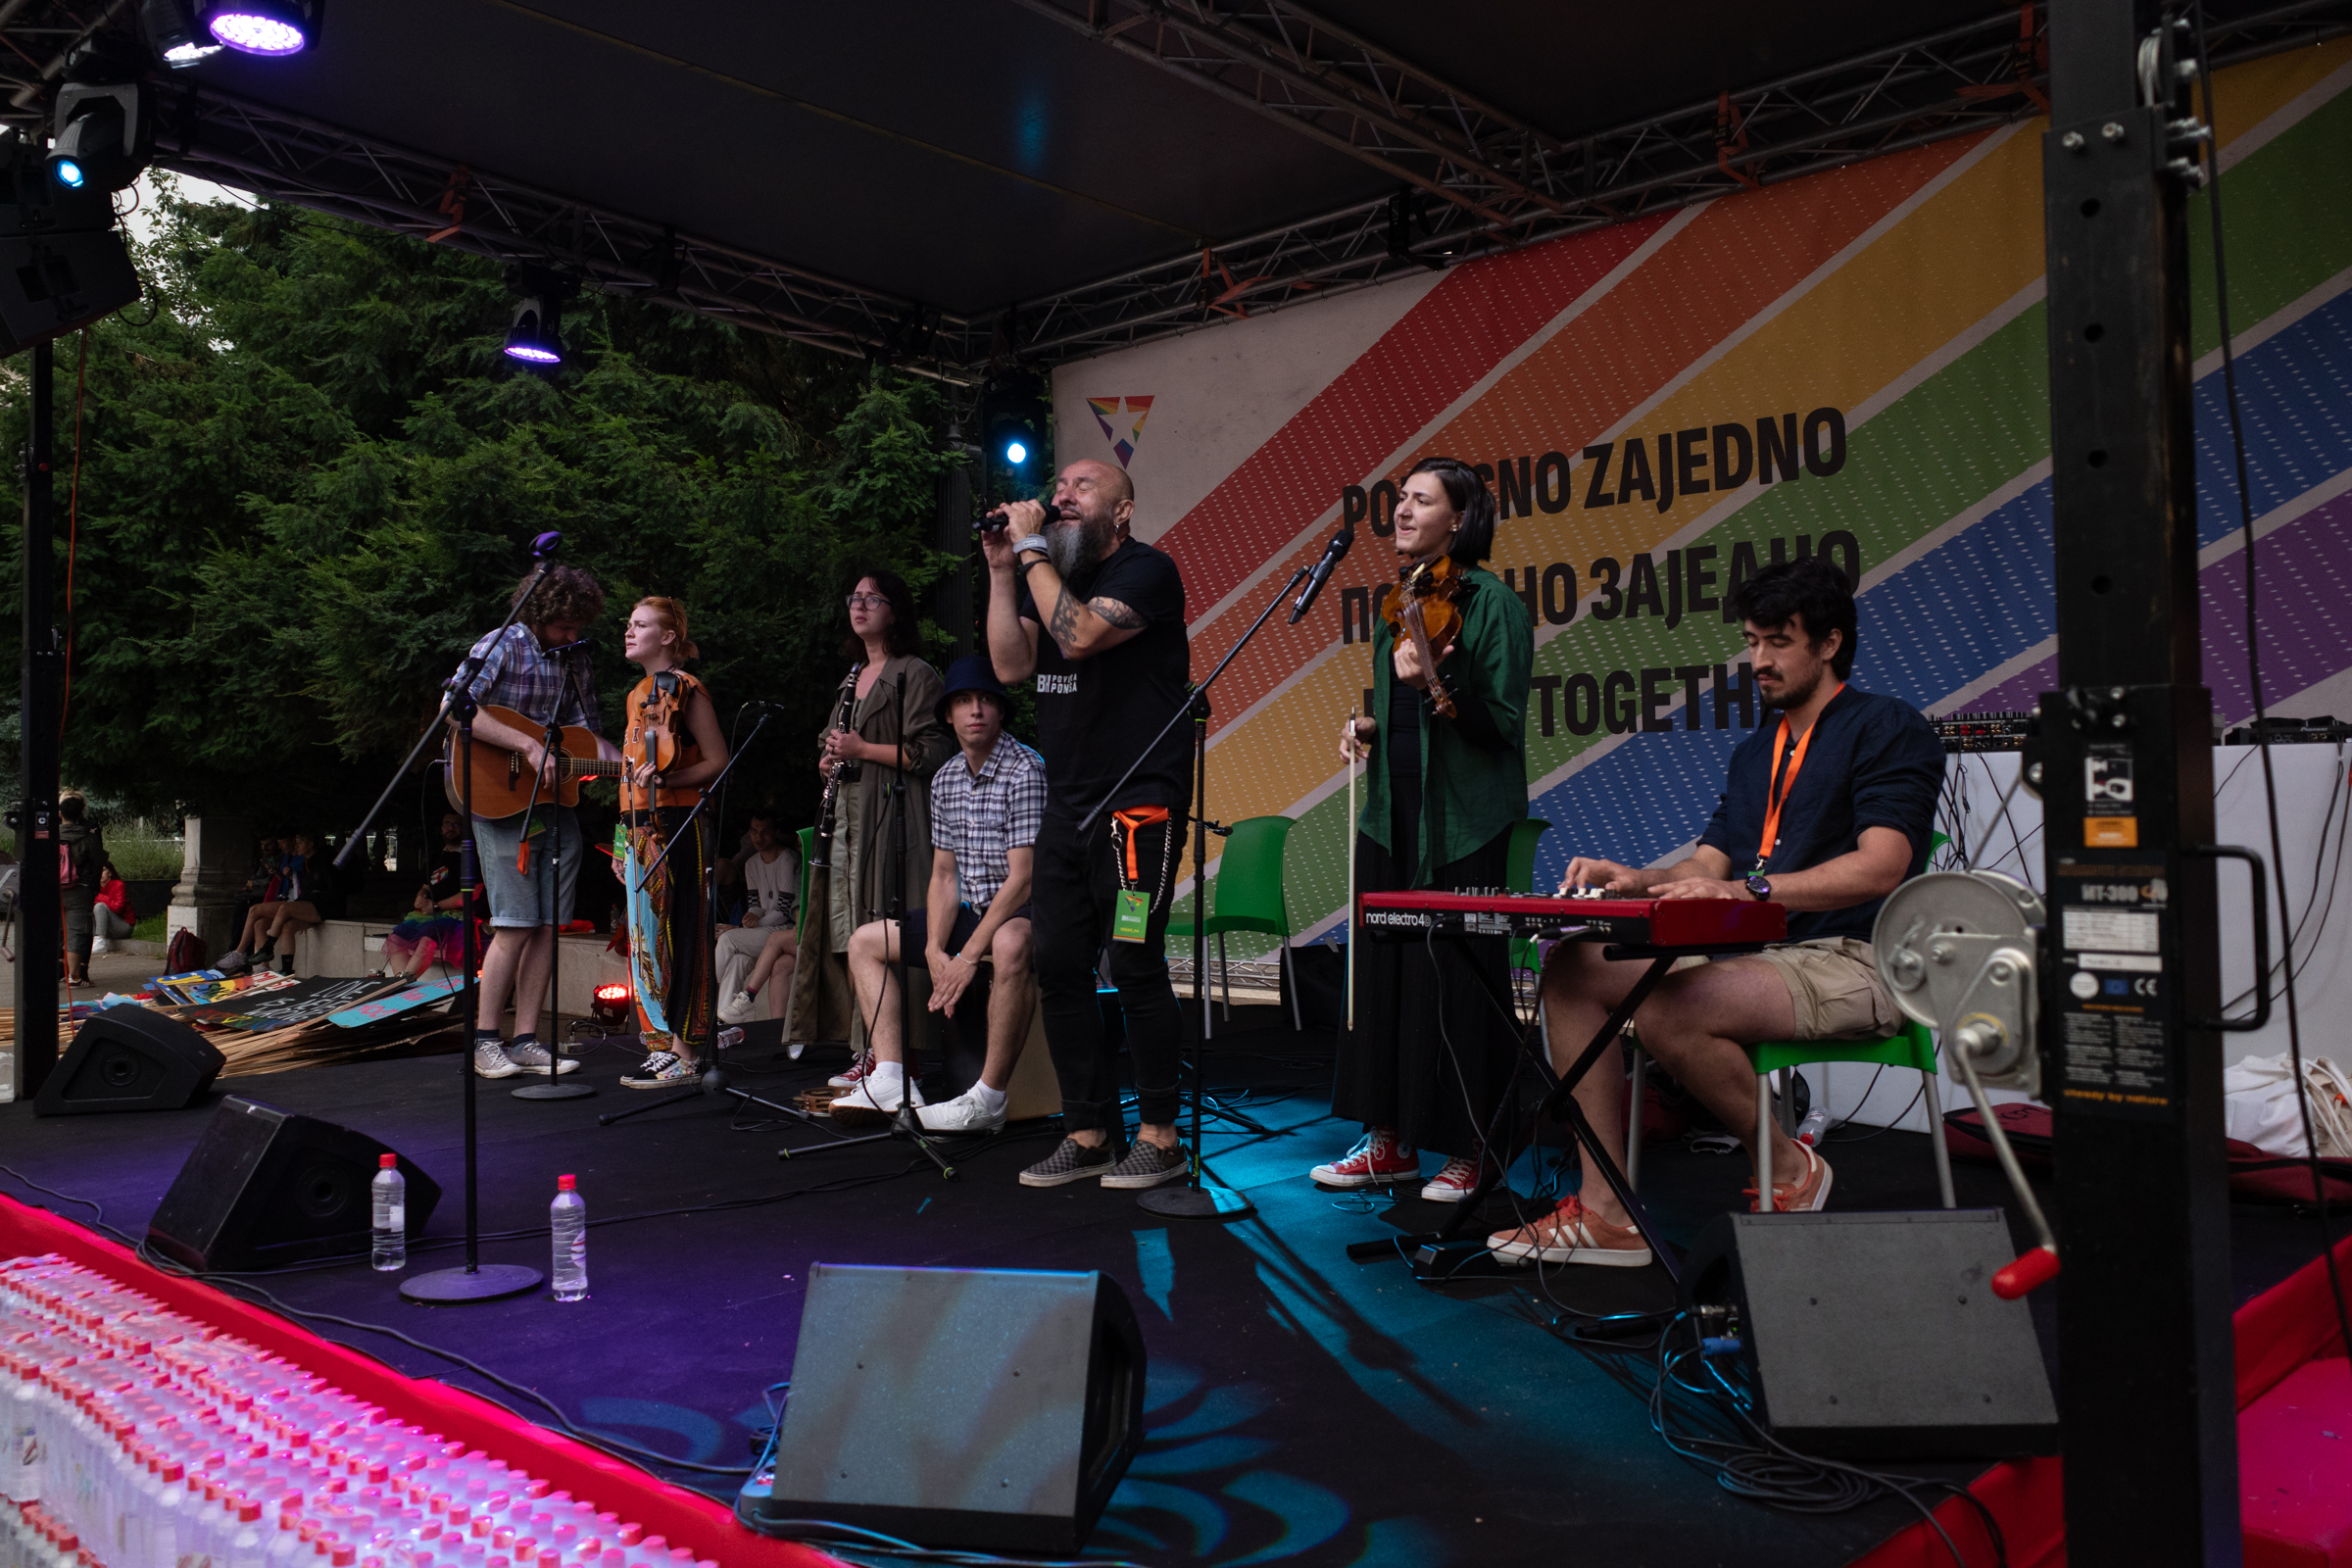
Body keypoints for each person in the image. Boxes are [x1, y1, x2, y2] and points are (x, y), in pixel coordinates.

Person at [1486, 556, 1944, 1267]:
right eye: (1753, 642)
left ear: (1830, 643)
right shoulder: (1756, 750)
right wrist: (1638, 879)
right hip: (1757, 957)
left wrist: (1750, 893)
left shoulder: (1886, 726)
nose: (1759, 661)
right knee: (1573, 966)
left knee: (1673, 1008)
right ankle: (1607, 1214)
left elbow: (1881, 864)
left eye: (1779, 642)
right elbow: (1708, 867)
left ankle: (1789, 1165)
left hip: (1857, 958)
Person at [1314, 457, 1533, 1201]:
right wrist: (1368, 726)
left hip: (1463, 821)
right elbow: (1402, 709)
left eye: (1421, 500)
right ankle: (1390, 1140)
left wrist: (1435, 683)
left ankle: (1475, 1148)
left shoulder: (1493, 604)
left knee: (1461, 985)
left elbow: (1500, 724)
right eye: (1401, 499)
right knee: (1385, 981)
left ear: (1459, 519)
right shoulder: (1403, 598)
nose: (1402, 511)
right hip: (1392, 813)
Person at [981, 459, 1196, 1191]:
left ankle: (1161, 1139)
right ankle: (1088, 1133)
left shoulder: (1146, 570)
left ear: (1122, 510)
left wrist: (1031, 551)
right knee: (1059, 966)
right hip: (1067, 806)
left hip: (1138, 805)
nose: (1061, 496)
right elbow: (1011, 666)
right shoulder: (1046, 576)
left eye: (1081, 488)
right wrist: (1003, 570)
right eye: (1059, 487)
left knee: (1132, 962)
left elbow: (1076, 638)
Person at [832, 656, 1045, 1133]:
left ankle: (989, 1099)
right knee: (865, 941)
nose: (976, 710)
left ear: (1001, 711)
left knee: (1009, 942)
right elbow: (945, 876)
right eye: (964, 701)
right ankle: (891, 1075)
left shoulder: (1025, 769)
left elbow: (1024, 879)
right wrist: (932, 947)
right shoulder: (946, 777)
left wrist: (966, 957)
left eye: (986, 700)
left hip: (1030, 910)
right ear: (948, 714)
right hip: (977, 912)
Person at [450, 563, 616, 1079]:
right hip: (500, 803)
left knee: (547, 926)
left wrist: (625, 764)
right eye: (564, 626)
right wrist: (526, 744)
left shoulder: (575, 657)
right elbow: (456, 704)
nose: (572, 635)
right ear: (542, 613)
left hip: (554, 806)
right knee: (514, 924)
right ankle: (485, 1040)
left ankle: (525, 1040)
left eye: (578, 626)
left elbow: (587, 733)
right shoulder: (502, 643)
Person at [787, 568, 953, 1075]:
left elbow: (933, 752)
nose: (859, 607)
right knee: (848, 928)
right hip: (846, 816)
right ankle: (866, 1049)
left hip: (890, 816)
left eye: (873, 599)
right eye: (854, 598)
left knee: (882, 921)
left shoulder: (914, 673)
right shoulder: (853, 675)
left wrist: (862, 750)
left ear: (895, 612)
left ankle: (895, 1056)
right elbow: (832, 741)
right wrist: (828, 759)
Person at [612, 596, 731, 1089]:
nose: (628, 630)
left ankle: (686, 1051)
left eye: (640, 625)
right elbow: (629, 777)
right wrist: (622, 836)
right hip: (639, 827)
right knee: (645, 940)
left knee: (681, 934)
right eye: (629, 623)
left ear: (667, 638)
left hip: (679, 821)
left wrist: (671, 779)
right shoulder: (637, 693)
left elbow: (718, 761)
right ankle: (661, 1044)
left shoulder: (687, 689)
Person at [715, 807, 799, 1025]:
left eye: (765, 831)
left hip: (784, 929)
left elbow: (783, 912)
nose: (758, 837)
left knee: (727, 939)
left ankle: (708, 997)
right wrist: (751, 916)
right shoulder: (751, 863)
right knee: (738, 961)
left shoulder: (787, 859)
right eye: (754, 831)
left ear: (776, 832)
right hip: (765, 929)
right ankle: (726, 1018)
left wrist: (742, 928)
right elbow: (756, 904)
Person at [377, 812, 471, 980]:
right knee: (395, 939)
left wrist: (437, 905)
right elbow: (426, 887)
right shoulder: (436, 857)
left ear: (465, 829)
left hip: (457, 916)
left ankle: (403, 983)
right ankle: (400, 982)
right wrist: (420, 897)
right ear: (441, 829)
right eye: (447, 824)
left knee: (427, 940)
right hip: (430, 914)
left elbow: (471, 894)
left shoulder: (471, 857)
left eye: (456, 824)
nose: (451, 828)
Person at [56, 795, 104, 988]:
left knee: (56, 930)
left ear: (60, 814)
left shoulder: (50, 835)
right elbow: (98, 862)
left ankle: (55, 972)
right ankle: (74, 976)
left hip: (54, 889)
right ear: (80, 815)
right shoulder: (87, 837)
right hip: (79, 889)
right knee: (76, 932)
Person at [91, 860, 136, 956]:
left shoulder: (118, 885)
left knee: (99, 906)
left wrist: (99, 897)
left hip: (123, 927)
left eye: (103, 870)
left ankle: (100, 942)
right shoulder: (94, 887)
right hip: (107, 928)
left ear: (110, 873)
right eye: (97, 870)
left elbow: (117, 907)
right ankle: (93, 940)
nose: (100, 874)